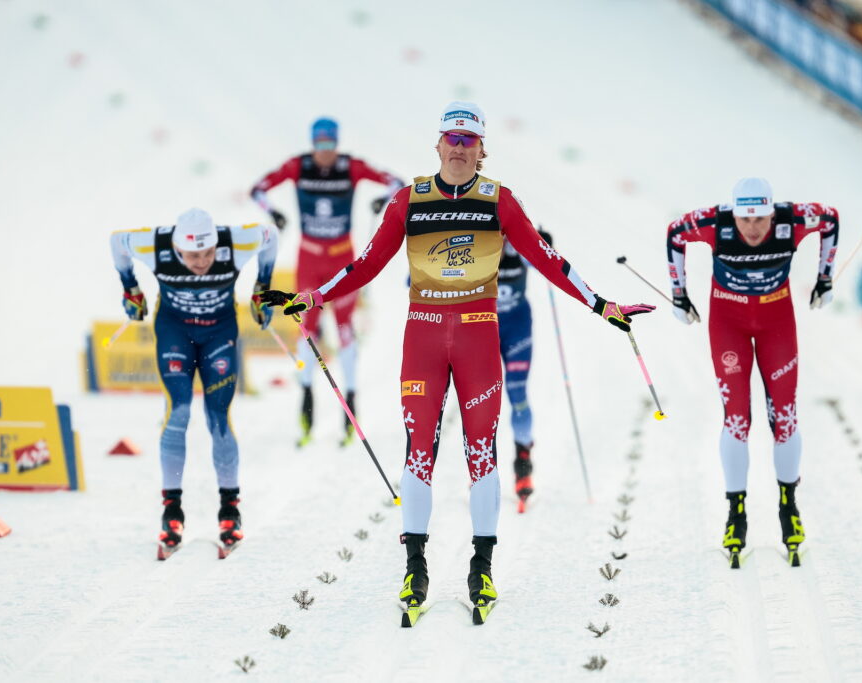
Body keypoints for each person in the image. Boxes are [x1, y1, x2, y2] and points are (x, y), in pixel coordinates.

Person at [258, 102, 654, 623]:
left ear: (482, 149)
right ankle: (414, 568)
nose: (461, 148)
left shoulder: (499, 201)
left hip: (477, 338)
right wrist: (314, 297)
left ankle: (481, 567)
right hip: (423, 336)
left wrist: (602, 305)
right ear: (439, 144)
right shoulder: (409, 200)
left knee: (481, 454)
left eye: (470, 140)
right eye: (453, 138)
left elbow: (548, 260)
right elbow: (366, 264)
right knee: (418, 451)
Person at [666, 177, 839, 568]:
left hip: (777, 322)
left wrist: (825, 278)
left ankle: (788, 507)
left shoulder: (792, 220)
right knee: (737, 419)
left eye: (760, 218)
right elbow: (675, 232)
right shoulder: (716, 222)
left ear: (771, 212)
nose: (753, 228)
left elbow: (830, 220)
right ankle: (736, 513)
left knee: (785, 416)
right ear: (735, 214)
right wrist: (679, 294)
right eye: (745, 219)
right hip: (729, 323)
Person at [110, 208, 278, 558]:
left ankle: (230, 510)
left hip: (219, 333)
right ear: (177, 248)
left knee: (218, 416)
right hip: (175, 333)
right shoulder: (156, 245)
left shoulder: (236, 241)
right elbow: (117, 242)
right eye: (192, 256)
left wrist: (262, 286)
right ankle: (172, 512)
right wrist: (130, 288)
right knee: (179, 411)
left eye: (208, 253)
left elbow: (271, 235)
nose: (201, 262)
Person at [250, 117, 404, 446]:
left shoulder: (350, 166)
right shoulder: (299, 166)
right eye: (319, 144)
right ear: (312, 143)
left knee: (345, 328)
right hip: (308, 260)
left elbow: (396, 182)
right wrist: (273, 213)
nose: (325, 151)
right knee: (307, 328)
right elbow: (258, 189)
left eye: (330, 143)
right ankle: (306, 404)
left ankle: (351, 409)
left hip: (341, 258)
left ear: (337, 142)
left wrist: (384, 201)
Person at [496, 227, 553, 511]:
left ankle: (522, 463)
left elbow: (543, 263)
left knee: (517, 393)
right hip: (482, 326)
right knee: (482, 397)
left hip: (516, 327)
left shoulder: (516, 242)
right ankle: (482, 464)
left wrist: (543, 245)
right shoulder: (475, 238)